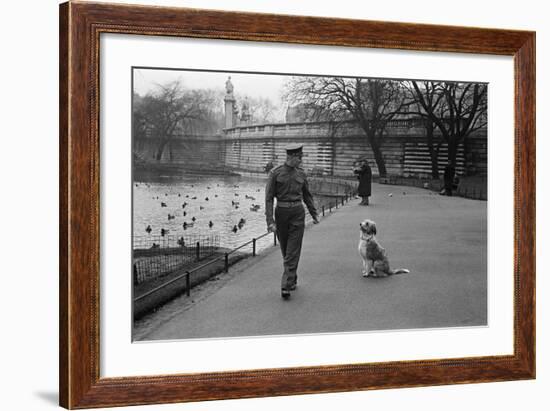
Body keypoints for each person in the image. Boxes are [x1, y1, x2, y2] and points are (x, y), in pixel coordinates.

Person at [265, 144, 319, 299]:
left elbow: (307, 195)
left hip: (297, 213)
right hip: (281, 213)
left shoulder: (301, 174)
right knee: (286, 250)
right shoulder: (275, 173)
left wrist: (314, 213)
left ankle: (285, 285)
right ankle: (292, 277)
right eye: (299, 158)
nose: (301, 161)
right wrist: (270, 221)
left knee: (292, 249)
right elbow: (269, 199)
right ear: (291, 157)